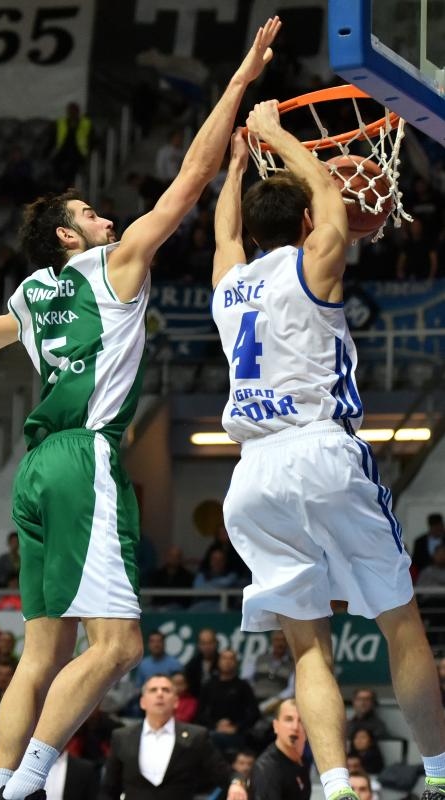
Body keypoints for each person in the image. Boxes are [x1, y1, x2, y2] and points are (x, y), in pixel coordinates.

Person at [0, 17, 281, 800]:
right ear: (66, 235)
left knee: (40, 654)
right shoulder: (109, 268)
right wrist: (239, 82)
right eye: (90, 213)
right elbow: (190, 176)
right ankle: (24, 788)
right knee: (117, 647)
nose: (108, 218)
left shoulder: (26, 294)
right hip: (84, 456)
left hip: (34, 472)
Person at [210, 98, 445, 800]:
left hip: (249, 475)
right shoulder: (315, 261)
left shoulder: (228, 283)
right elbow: (329, 200)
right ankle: (438, 775)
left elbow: (224, 231)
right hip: (317, 448)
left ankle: (336, 783)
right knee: (398, 616)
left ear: (252, 231)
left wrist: (233, 165)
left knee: (307, 641)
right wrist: (276, 133)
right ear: (308, 222)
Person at [98, 674, 245, 800]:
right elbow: (109, 789)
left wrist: (236, 784)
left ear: (176, 702)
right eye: (153, 690)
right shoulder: (122, 737)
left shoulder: (196, 736)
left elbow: (226, 774)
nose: (160, 694)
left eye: (166, 690)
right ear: (142, 702)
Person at [196, 649, 259, 752]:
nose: (227, 661)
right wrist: (216, 725)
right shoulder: (209, 685)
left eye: (231, 658)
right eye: (224, 658)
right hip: (212, 730)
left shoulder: (243, 686)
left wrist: (236, 727)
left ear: (236, 662)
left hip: (237, 733)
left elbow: (255, 713)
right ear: (218, 661)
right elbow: (199, 713)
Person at [249, 698, 310, 800]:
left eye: (301, 721)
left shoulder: (302, 759)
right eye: (289, 719)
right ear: (276, 726)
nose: (295, 727)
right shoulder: (267, 769)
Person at [184, 627, 220, 698]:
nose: (207, 647)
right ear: (198, 645)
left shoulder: (223, 662)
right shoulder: (192, 665)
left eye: (210, 643)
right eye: (203, 643)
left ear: (216, 643)